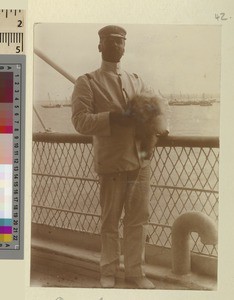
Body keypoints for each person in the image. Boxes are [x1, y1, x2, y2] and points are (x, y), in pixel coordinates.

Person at [71, 25, 169, 289]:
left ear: (125, 46)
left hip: (140, 162)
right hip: (112, 163)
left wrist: (159, 125)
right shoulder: (87, 81)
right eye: (110, 41)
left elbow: (156, 107)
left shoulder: (137, 80)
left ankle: (136, 273)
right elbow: (80, 122)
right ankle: (109, 271)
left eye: (121, 41)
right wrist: (114, 118)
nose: (116, 45)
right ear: (100, 45)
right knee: (110, 222)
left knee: (138, 220)